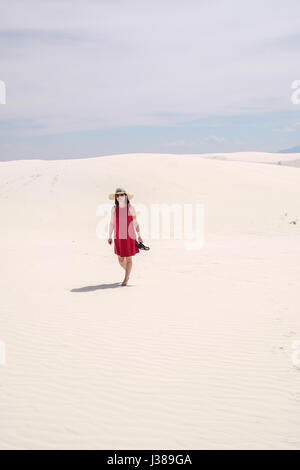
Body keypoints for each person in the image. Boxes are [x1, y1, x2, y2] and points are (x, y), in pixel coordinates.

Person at [107, 188, 143, 286]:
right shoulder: (114, 209)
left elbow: (135, 222)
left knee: (128, 259)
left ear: (126, 196)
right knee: (120, 259)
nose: (119, 197)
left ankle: (126, 278)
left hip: (129, 236)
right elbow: (111, 223)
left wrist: (139, 236)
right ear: (116, 198)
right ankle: (128, 271)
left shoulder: (130, 207)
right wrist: (109, 236)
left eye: (122, 195)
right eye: (117, 195)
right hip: (118, 237)